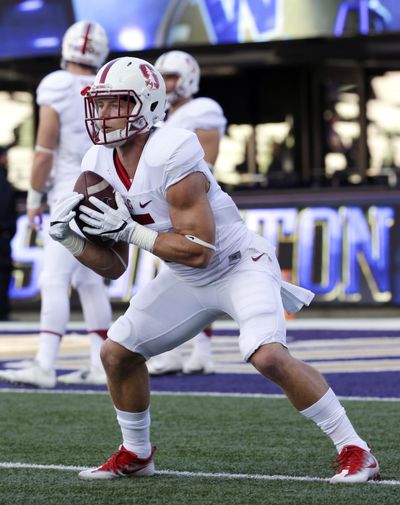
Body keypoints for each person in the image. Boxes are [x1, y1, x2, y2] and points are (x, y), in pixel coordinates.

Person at [47, 56, 379, 483]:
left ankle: (356, 448)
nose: (105, 115)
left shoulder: (174, 147)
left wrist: (130, 231)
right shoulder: (97, 163)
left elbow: (200, 249)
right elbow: (113, 267)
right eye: (101, 104)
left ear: (147, 105)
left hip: (238, 265)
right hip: (186, 277)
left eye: (118, 103)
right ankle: (137, 452)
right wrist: (72, 242)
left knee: (268, 356)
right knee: (117, 353)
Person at [0, 21, 112, 388]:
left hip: (68, 193)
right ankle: (101, 364)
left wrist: (33, 197)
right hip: (102, 192)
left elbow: (45, 148)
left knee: (54, 278)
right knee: (89, 282)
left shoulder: (57, 84)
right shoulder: (105, 85)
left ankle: (45, 364)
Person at [144, 50, 227, 375]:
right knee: (183, 280)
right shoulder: (159, 115)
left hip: (195, 204)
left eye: (172, 76)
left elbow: (206, 161)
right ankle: (187, 351)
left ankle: (197, 351)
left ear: (189, 77)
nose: (166, 84)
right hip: (166, 205)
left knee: (194, 277)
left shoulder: (203, 109)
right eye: (162, 77)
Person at [0, 146, 17, 321]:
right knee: (3, 275)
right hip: (2, 237)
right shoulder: (4, 183)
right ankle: (3, 313)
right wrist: (7, 232)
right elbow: (6, 210)